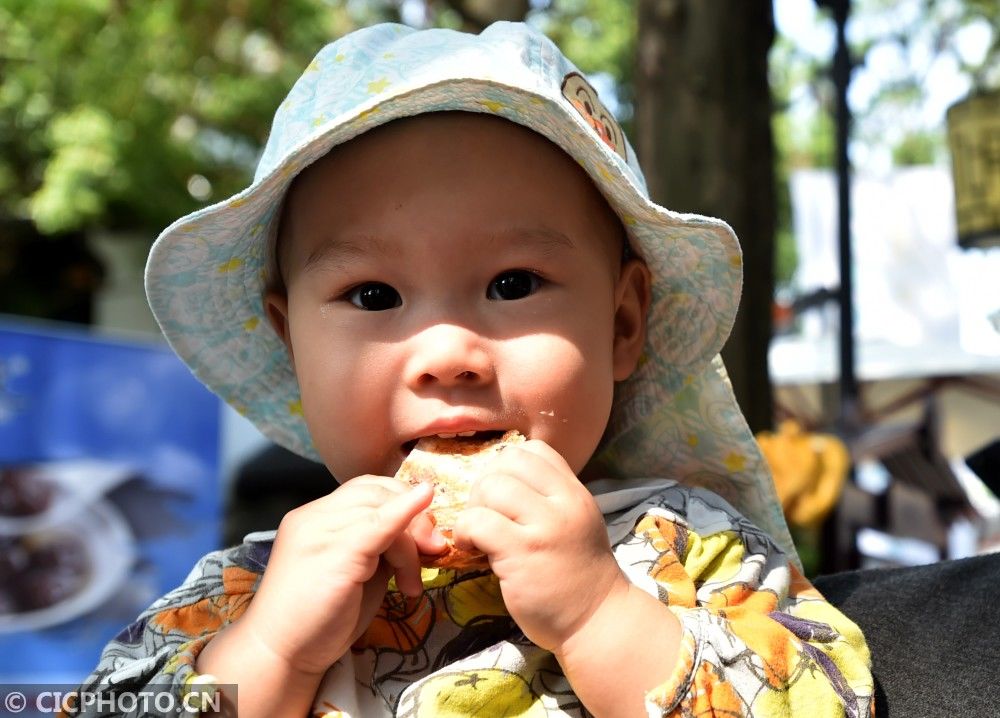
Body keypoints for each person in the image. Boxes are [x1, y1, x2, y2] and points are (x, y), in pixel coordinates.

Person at [75, 22, 873, 717]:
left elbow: (828, 698)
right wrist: (270, 653)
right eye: (374, 294)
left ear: (621, 323)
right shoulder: (248, 589)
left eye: (513, 285)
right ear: (292, 345)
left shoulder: (693, 549)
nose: (450, 356)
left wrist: (599, 612)